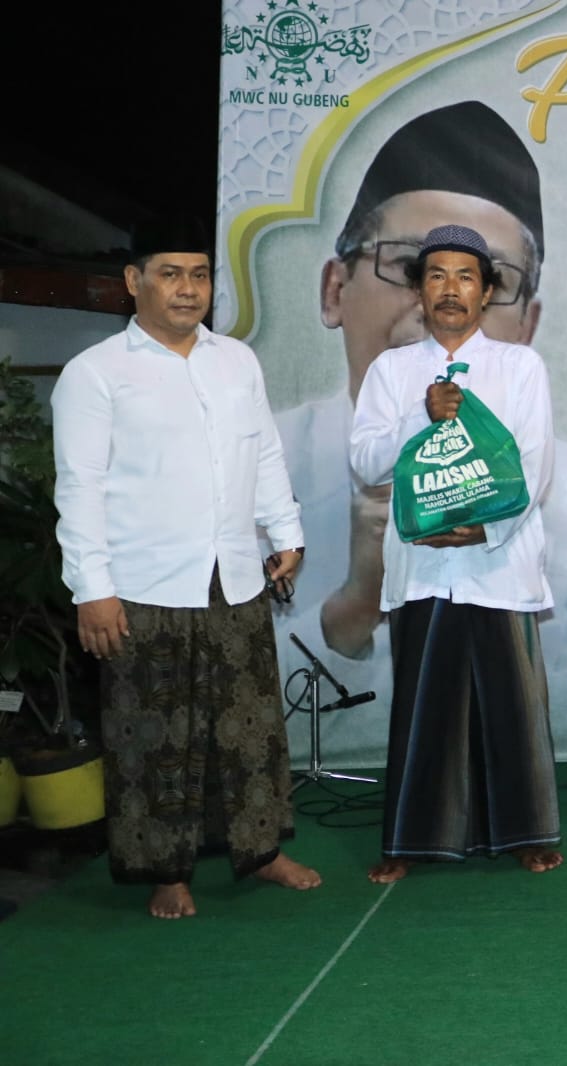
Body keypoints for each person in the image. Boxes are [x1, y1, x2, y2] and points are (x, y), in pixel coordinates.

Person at [272, 101, 567, 766]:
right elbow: (247, 697)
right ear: (335, 289)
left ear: (524, 321)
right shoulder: (270, 463)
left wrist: (484, 529)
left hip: (499, 587)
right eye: (413, 270)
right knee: (424, 751)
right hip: (409, 605)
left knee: (509, 749)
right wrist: (353, 604)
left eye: (482, 279)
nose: (444, 297)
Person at [52, 221, 321, 919]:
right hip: (143, 584)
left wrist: (287, 533)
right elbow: (79, 487)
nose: (188, 289)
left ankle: (261, 851)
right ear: (133, 281)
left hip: (235, 574)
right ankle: (166, 872)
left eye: (199, 275)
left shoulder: (236, 361)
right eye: (170, 274)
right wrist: (92, 590)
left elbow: (264, 452)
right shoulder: (95, 373)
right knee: (155, 733)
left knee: (250, 727)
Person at [349, 224, 562, 882]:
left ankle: (525, 832)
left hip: (499, 563)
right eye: (436, 275)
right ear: (418, 289)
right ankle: (410, 838)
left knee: (512, 706)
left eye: (466, 277)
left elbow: (535, 468)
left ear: (487, 291)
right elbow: (366, 463)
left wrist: (485, 531)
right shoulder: (391, 371)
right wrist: (421, 414)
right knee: (425, 707)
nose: (450, 289)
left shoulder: (520, 367)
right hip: (422, 566)